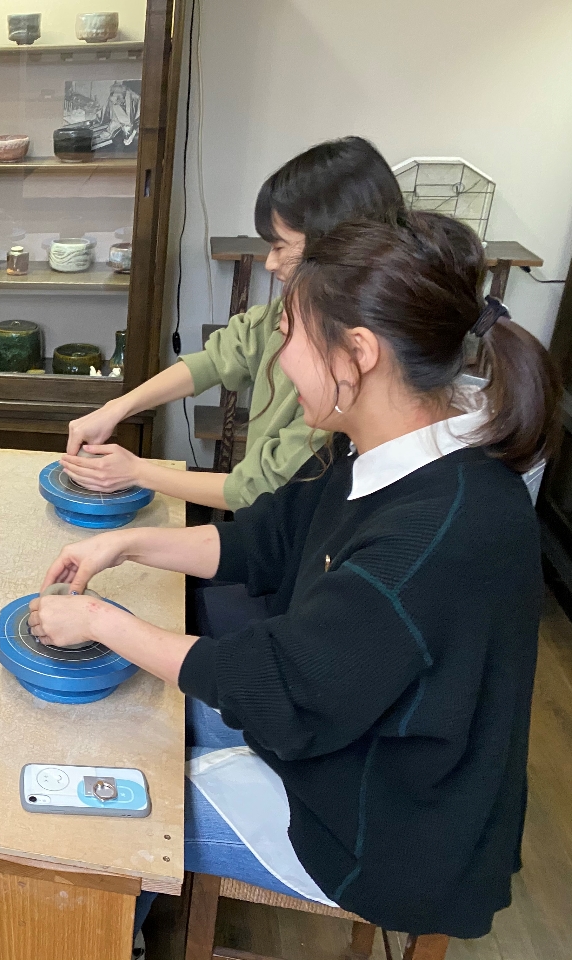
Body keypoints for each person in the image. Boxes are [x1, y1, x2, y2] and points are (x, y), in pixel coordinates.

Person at [29, 211, 557, 937]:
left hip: (380, 831)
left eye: (290, 335)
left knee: (98, 811)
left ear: (357, 353)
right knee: (124, 719)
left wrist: (101, 621)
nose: (278, 360)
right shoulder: (388, 447)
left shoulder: (439, 532)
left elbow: (279, 688)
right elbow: (267, 541)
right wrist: (125, 546)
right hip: (340, 739)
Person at [63, 136, 405, 512]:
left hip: (291, 525)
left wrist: (138, 473)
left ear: (333, 245)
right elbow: (221, 356)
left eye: (280, 247)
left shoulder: (348, 373)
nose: (270, 264)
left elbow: (258, 490)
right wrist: (117, 407)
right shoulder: (289, 313)